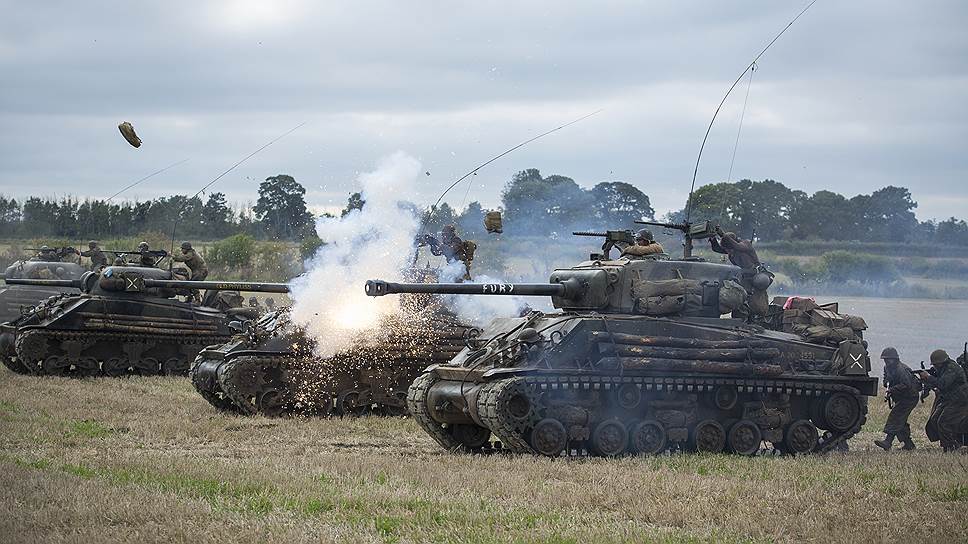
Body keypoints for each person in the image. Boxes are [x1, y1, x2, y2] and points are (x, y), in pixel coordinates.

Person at [710, 227, 772, 317]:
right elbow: (717, 249)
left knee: (754, 304)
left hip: (754, 276)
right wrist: (713, 238)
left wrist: (722, 234)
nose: (727, 252)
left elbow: (737, 246)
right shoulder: (731, 250)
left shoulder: (745, 244)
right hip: (742, 277)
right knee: (739, 300)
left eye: (728, 249)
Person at [917, 349, 968, 452]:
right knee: (935, 419)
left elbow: (942, 384)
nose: (935, 366)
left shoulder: (952, 368)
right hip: (949, 399)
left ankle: (952, 446)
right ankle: (948, 444)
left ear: (942, 362)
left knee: (943, 421)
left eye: (937, 364)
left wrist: (928, 377)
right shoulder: (943, 369)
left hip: (960, 400)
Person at [874, 347, 919, 451]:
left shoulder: (901, 369)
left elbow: (906, 384)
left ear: (894, 359)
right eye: (885, 359)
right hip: (901, 397)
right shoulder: (888, 368)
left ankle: (888, 442)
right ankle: (909, 444)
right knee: (901, 421)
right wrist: (887, 384)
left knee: (896, 416)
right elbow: (886, 379)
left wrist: (892, 390)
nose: (886, 361)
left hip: (909, 397)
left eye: (888, 359)